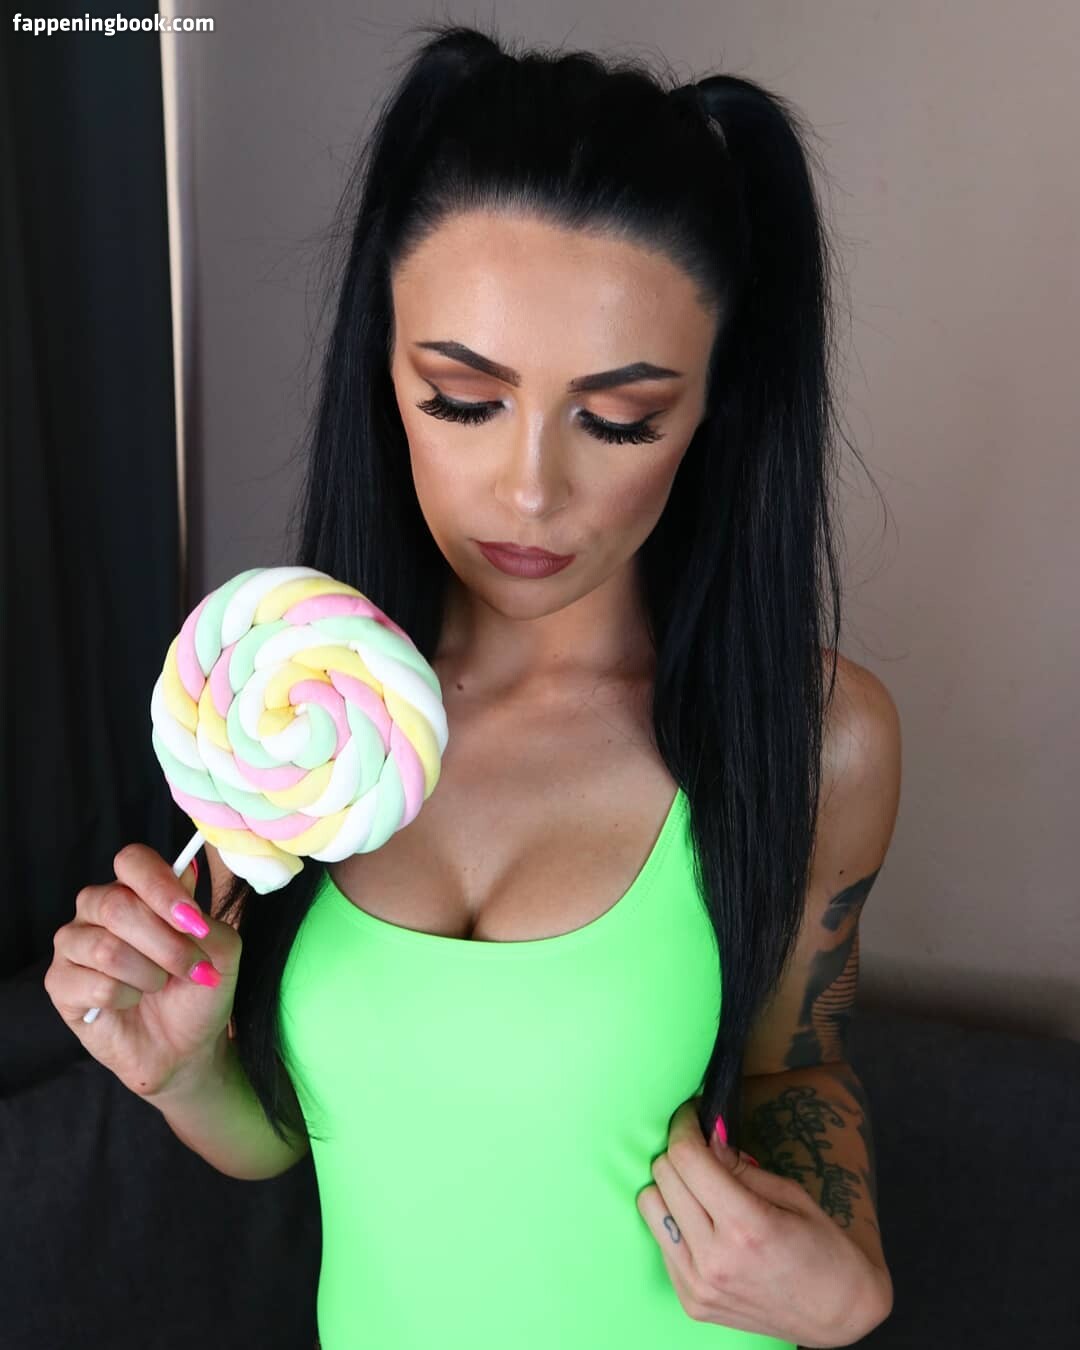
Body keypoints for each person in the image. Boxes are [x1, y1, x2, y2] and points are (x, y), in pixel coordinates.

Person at [46, 21, 901, 1349]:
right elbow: (297, 1139)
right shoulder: (294, 719)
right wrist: (186, 1069)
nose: (530, 490)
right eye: (460, 398)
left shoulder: (815, 734)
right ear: (384, 368)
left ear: (713, 407)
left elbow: (799, 1065)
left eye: (618, 417)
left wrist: (845, 1274)